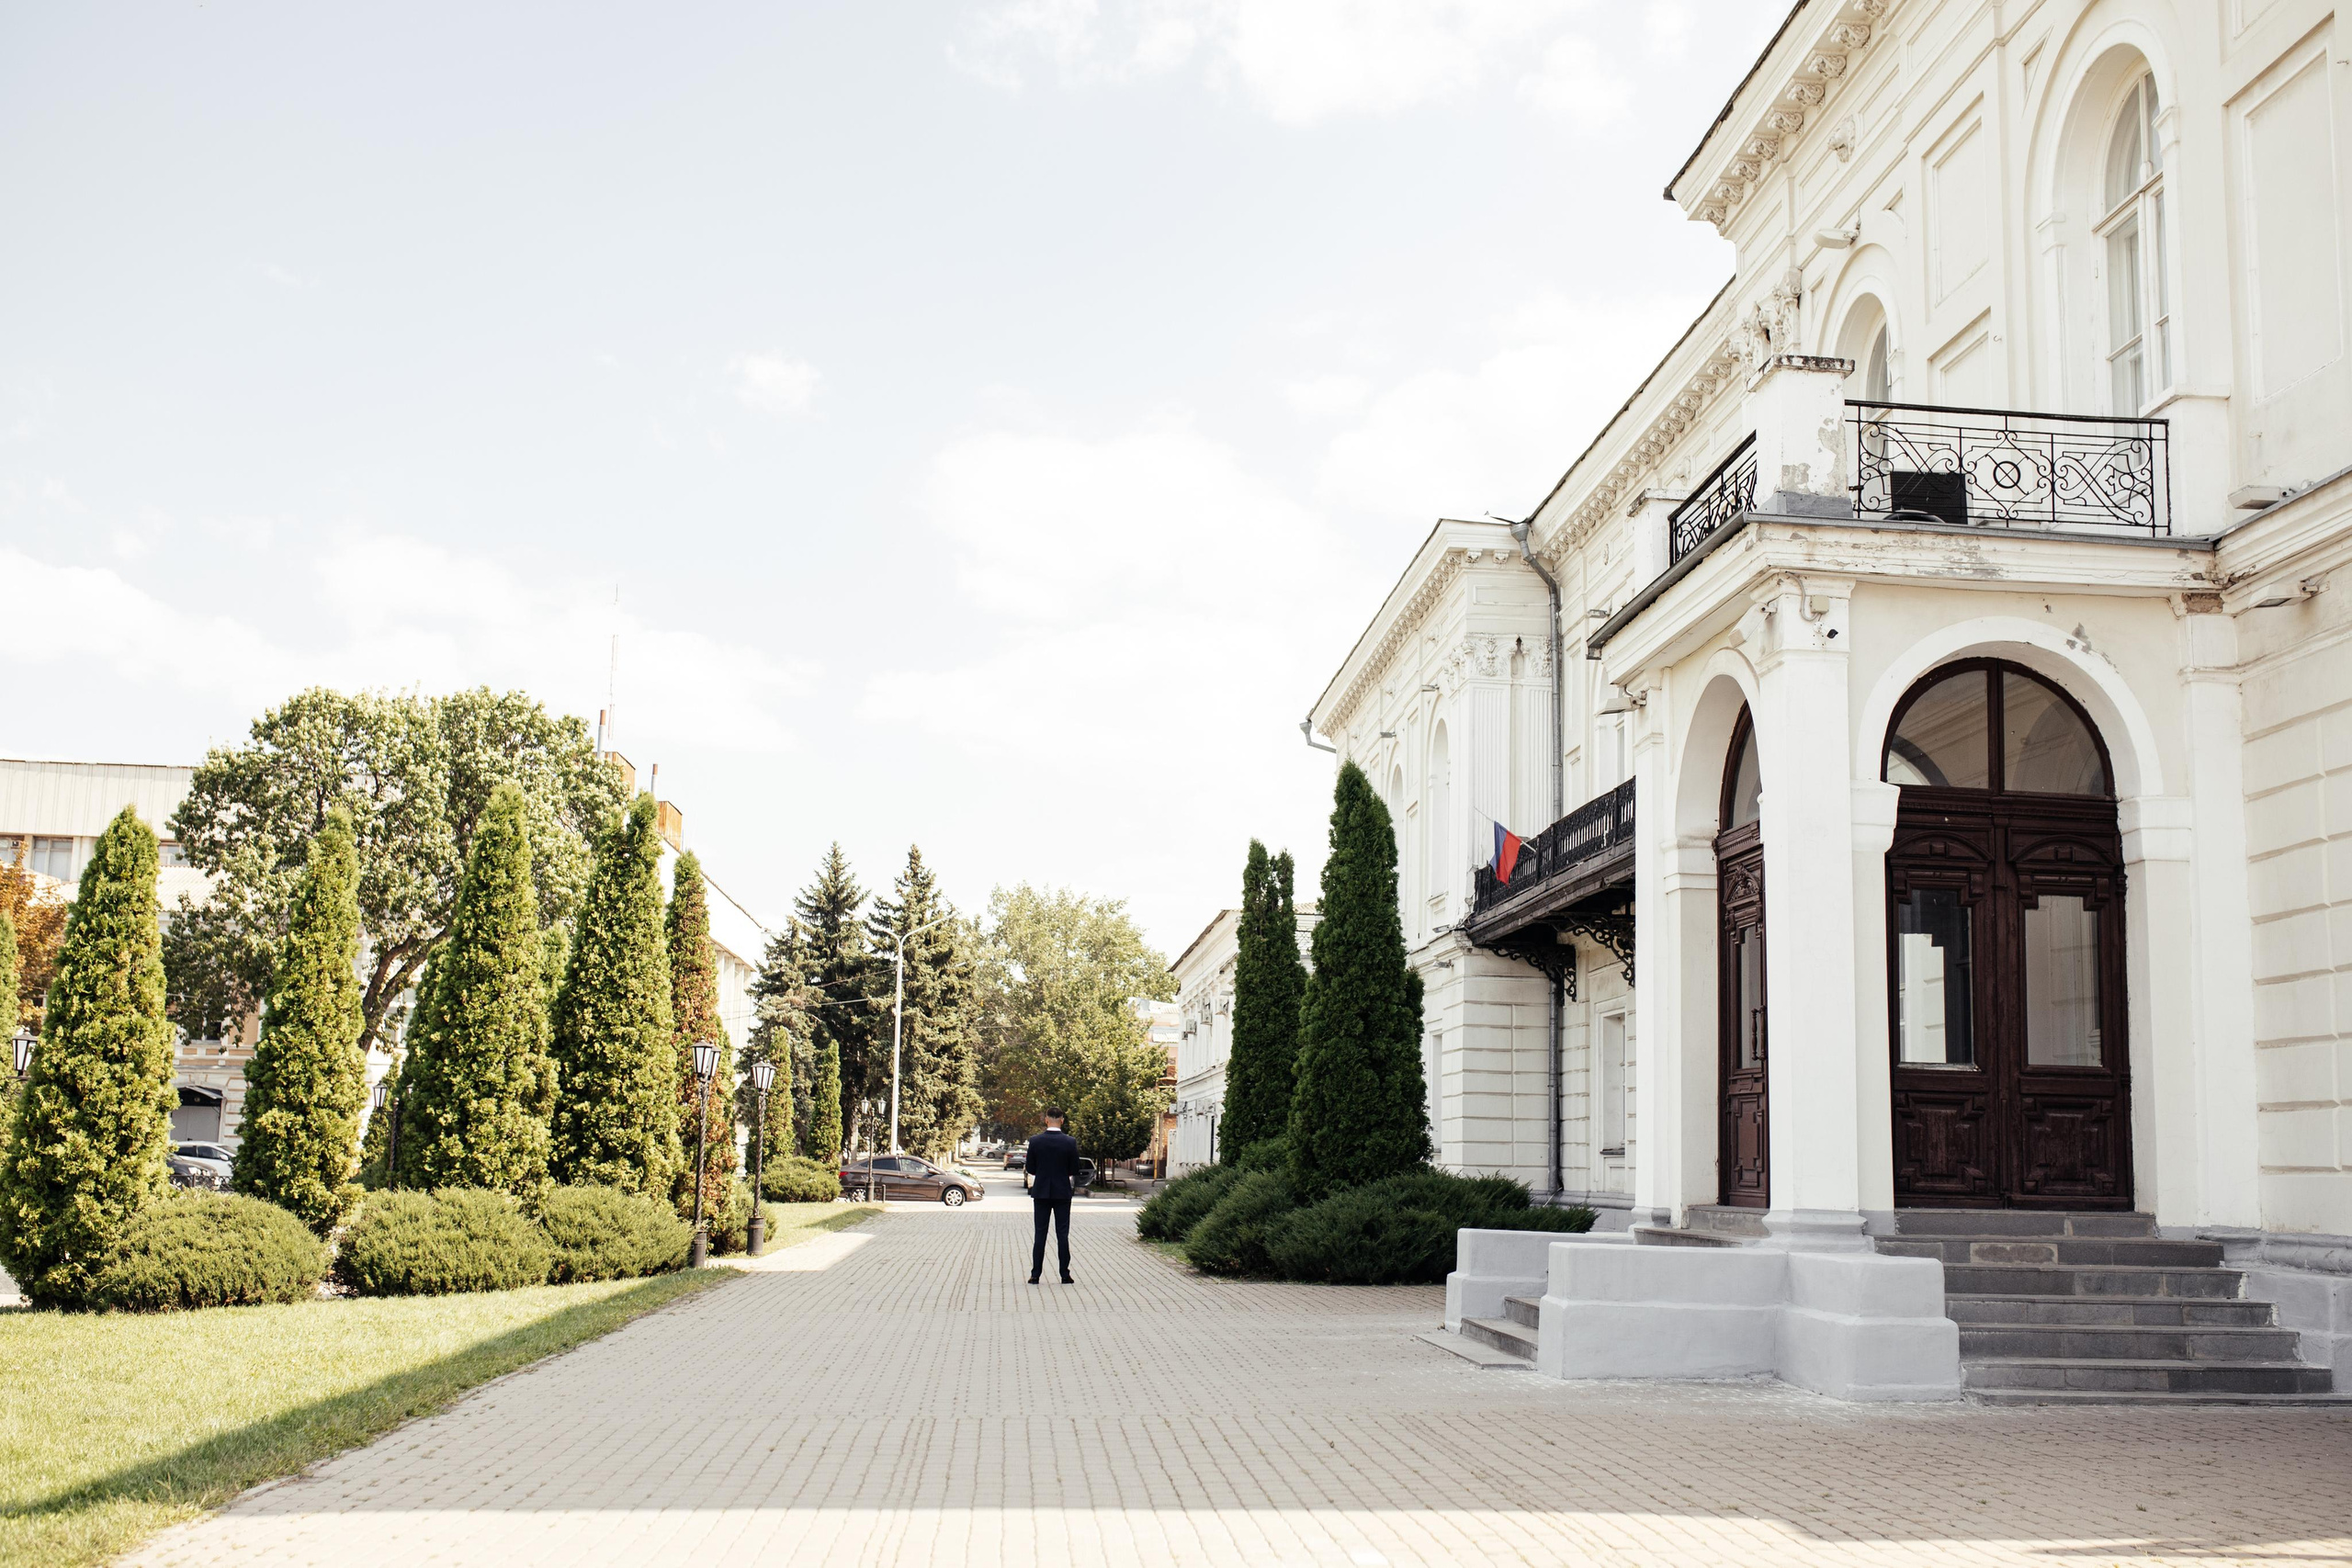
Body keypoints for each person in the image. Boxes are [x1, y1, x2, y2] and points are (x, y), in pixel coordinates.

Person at [1024, 1109, 1081, 1284]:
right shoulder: (1070, 1142)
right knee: (1062, 1234)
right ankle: (1065, 1274)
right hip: (1062, 1193)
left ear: (1046, 1120)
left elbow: (1031, 1168)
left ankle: (1035, 1275)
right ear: (1062, 1121)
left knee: (1040, 1234)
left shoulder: (1035, 1141)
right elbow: (1075, 1169)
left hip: (1041, 1192)